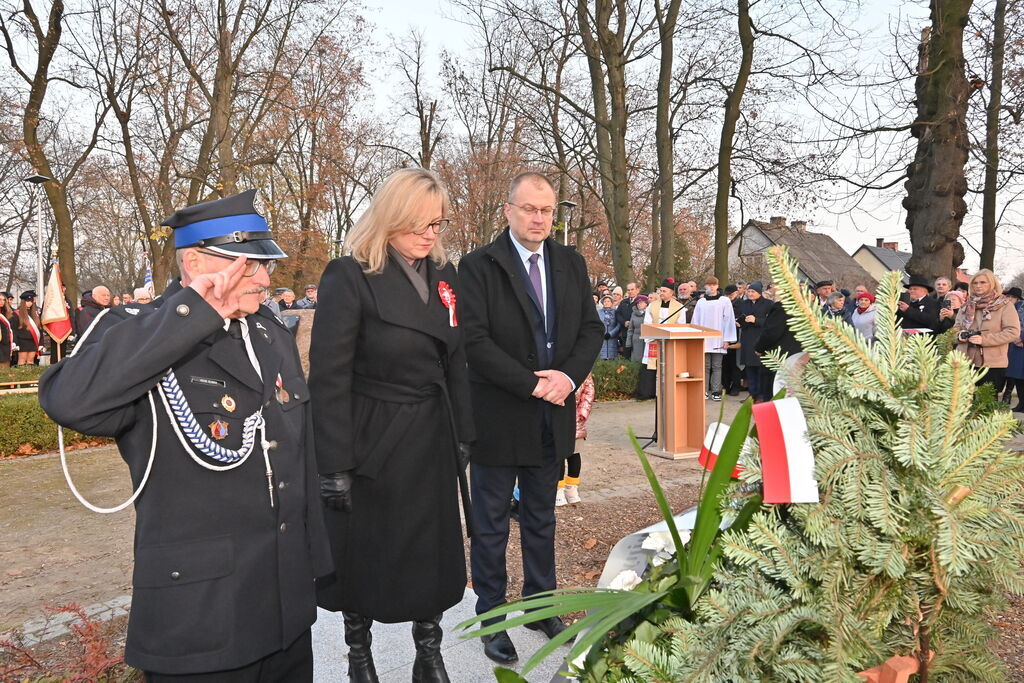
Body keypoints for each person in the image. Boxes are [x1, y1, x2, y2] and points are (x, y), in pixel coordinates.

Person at [38, 189, 331, 680]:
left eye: (265, 264)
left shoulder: (269, 333)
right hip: (201, 614)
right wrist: (191, 314)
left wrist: (316, 564)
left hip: (284, 606)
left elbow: (296, 454)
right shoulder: (145, 331)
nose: (265, 277)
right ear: (195, 262)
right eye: (249, 264)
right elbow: (69, 401)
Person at [308, 168, 474, 681]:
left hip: (430, 436)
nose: (430, 235)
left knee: (432, 552)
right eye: (420, 224)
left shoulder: (445, 277)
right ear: (391, 218)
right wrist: (332, 464)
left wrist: (462, 435)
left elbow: (457, 361)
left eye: (438, 224)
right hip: (372, 440)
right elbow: (329, 376)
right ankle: (360, 652)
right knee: (364, 552)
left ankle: (429, 650)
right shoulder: (349, 275)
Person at [459, 171, 603, 665]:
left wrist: (567, 376)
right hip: (499, 416)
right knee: (492, 523)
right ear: (508, 210)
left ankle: (542, 605)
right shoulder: (478, 266)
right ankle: (492, 615)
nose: (539, 218)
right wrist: (532, 383)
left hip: (551, 418)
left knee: (542, 519)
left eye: (546, 210)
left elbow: (589, 328)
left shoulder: (569, 263)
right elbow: (473, 342)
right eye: (529, 209)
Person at [953, 269, 1021, 393]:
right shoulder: (966, 306)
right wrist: (959, 335)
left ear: (992, 284)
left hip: (992, 364)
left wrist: (984, 340)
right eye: (975, 283)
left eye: (983, 282)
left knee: (986, 407)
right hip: (964, 361)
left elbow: (1013, 332)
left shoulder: (1005, 305)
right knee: (962, 404)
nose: (978, 286)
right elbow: (954, 330)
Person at [689, 276, 736, 402]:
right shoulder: (701, 302)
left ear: (717, 286)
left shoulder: (724, 301)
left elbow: (729, 320)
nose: (711, 287)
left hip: (718, 338)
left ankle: (716, 391)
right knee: (704, 366)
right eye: (709, 285)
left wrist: (727, 339)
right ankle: (703, 390)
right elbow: (696, 321)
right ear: (705, 286)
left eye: (713, 285)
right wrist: (696, 337)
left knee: (717, 366)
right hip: (704, 338)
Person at [638, 278, 686, 400]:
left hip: (670, 342)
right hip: (654, 341)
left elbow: (681, 325)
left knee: (669, 367)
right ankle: (648, 393)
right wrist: (653, 336)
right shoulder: (652, 306)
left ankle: (668, 393)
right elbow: (647, 323)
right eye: (661, 290)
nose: (661, 293)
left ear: (671, 293)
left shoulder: (680, 307)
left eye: (664, 291)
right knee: (650, 366)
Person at [556, 373, 595, 506]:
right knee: (559, 456)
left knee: (574, 454)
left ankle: (572, 488)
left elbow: (589, 391)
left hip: (576, 420)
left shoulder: (583, 369)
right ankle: (558, 489)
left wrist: (582, 413)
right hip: (558, 417)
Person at [755, 299, 802, 401]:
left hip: (777, 356)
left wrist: (759, 347)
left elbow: (771, 333)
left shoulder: (782, 307)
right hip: (797, 356)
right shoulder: (804, 307)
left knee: (773, 393)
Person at [737, 281, 772, 401]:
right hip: (747, 339)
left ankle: (761, 395)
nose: (750, 294)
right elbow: (742, 316)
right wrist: (740, 322)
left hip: (760, 339)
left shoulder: (768, 304)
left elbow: (770, 322)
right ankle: (752, 395)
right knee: (750, 369)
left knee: (760, 370)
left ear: (759, 293)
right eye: (749, 291)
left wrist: (756, 320)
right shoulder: (744, 303)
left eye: (753, 292)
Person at [1003, 287, 1024, 412]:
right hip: (1014, 346)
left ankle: (1022, 404)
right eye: (1007, 297)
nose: (1008, 299)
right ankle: (1021, 404)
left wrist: (1021, 339)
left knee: (1020, 378)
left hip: (1020, 347)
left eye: (1010, 297)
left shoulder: (1021, 308)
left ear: (1016, 298)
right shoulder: (1013, 308)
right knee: (1018, 378)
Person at [722, 284, 743, 395]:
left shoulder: (740, 304)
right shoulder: (724, 302)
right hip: (725, 333)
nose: (729, 296)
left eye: (731, 294)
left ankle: (736, 386)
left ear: (736, 293)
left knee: (735, 363)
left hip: (735, 333)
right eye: (727, 295)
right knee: (725, 363)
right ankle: (725, 386)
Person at [12, 291, 42, 365]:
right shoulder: (16, 314)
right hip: (22, 342)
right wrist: (15, 343)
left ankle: (29, 376)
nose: (30, 303)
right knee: (22, 361)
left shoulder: (35, 314)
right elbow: (14, 330)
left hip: (33, 341)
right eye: (27, 301)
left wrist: (41, 343)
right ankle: (21, 376)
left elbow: (39, 329)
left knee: (30, 361)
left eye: (31, 301)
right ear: (23, 301)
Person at [616, 282, 639, 356]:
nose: (630, 291)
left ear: (637, 290)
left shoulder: (641, 301)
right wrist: (624, 322)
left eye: (632, 289)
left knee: (636, 354)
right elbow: (618, 314)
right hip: (625, 332)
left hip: (637, 333)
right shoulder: (623, 302)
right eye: (628, 290)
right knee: (626, 354)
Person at [626, 294, 649, 363]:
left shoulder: (649, 313)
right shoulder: (634, 314)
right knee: (636, 360)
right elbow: (630, 330)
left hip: (647, 340)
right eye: (638, 303)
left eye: (641, 302)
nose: (639, 304)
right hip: (636, 340)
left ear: (646, 304)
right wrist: (628, 343)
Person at [597, 295, 620, 360]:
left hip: (612, 338)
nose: (606, 303)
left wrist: (611, 334)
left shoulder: (616, 312)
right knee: (602, 358)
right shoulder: (598, 312)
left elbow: (618, 325)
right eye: (605, 301)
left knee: (612, 359)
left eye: (608, 301)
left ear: (611, 303)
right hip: (601, 337)